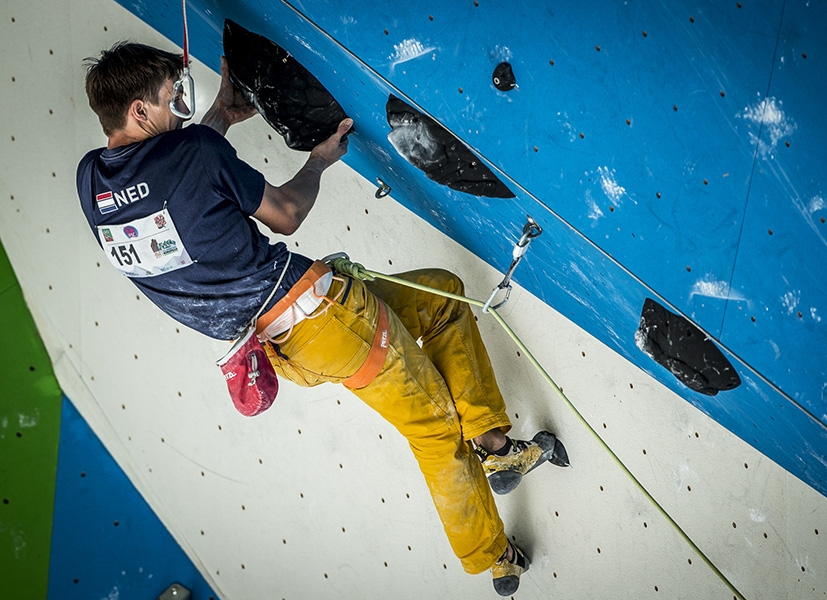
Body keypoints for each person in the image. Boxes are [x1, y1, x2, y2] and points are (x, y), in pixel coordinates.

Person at [76, 41, 565, 596]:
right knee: (430, 426)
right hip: (329, 319)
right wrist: (317, 161)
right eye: (170, 100)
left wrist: (218, 118)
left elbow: (170, 177)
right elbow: (283, 215)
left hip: (285, 348)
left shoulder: (91, 181)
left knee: (444, 297)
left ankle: (497, 449)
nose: (179, 110)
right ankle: (494, 556)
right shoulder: (192, 152)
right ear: (140, 112)